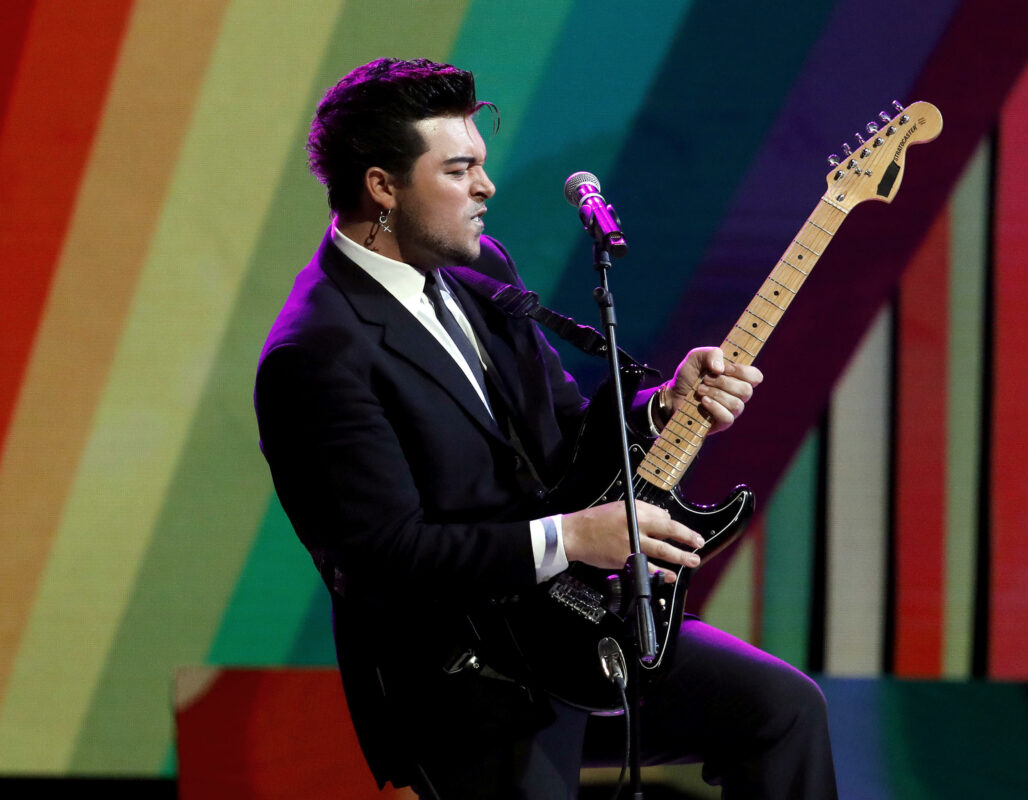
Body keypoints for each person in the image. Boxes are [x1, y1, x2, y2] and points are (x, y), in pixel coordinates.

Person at [254, 57, 837, 799]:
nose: (486, 187)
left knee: (782, 708)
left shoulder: (480, 271)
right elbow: (384, 559)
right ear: (382, 187)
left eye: (481, 165)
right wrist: (572, 538)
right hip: (462, 680)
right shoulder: (316, 353)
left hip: (572, 623)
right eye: (460, 170)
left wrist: (662, 406)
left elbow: (564, 432)